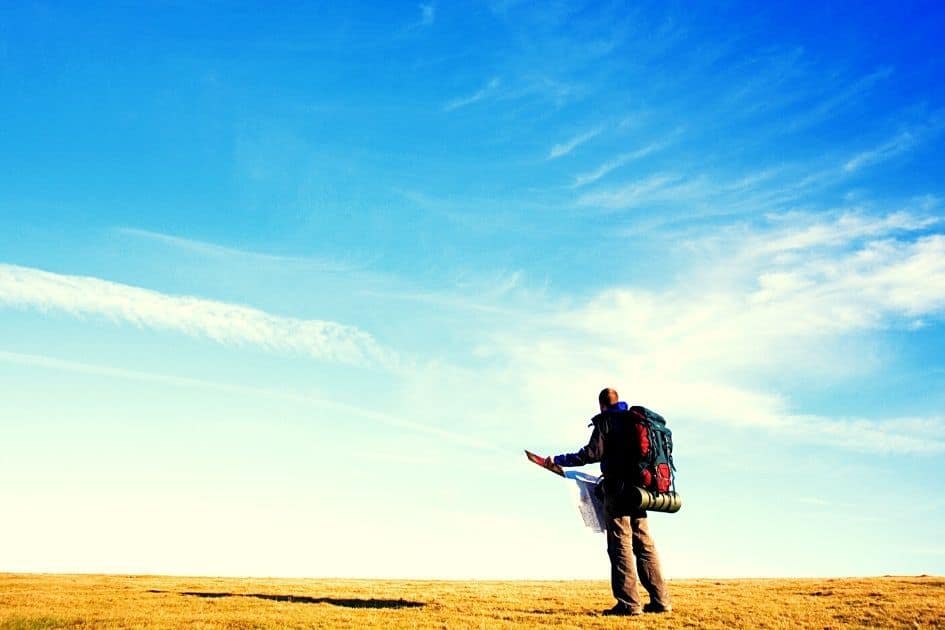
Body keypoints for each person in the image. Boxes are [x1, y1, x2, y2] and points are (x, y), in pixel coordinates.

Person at [547, 387, 672, 616]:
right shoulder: (635, 420)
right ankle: (661, 601)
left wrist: (558, 460)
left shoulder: (606, 421)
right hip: (640, 491)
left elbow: (590, 454)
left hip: (618, 492)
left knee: (620, 544)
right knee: (644, 543)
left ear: (602, 404)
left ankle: (629, 604)